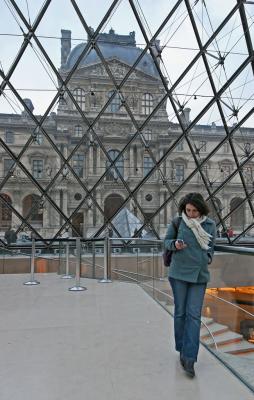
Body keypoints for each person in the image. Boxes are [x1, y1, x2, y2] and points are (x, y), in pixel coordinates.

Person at [164, 193, 216, 378]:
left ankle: (190, 357)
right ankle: (181, 348)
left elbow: (211, 247)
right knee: (180, 313)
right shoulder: (178, 222)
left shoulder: (210, 225)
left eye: (195, 211)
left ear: (201, 210)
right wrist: (175, 244)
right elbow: (166, 242)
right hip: (178, 273)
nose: (191, 214)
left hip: (199, 275)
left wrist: (207, 257)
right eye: (188, 210)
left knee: (193, 316)